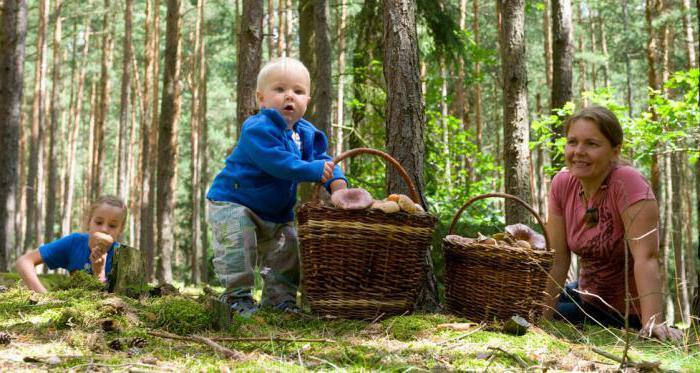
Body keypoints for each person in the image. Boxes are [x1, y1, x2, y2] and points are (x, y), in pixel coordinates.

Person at [207, 57, 347, 316]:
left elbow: (323, 160)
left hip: (276, 212)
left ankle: (280, 301)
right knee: (237, 245)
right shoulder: (258, 128)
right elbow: (279, 163)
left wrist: (337, 185)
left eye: (298, 91)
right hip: (234, 202)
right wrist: (313, 170)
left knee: (287, 250)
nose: (289, 97)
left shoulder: (307, 133)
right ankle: (237, 298)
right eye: (280, 90)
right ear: (261, 99)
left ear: (308, 100)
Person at [543, 106, 683, 341]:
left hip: (623, 312)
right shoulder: (562, 183)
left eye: (591, 144)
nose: (579, 151)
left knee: (557, 314)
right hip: (585, 295)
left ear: (614, 150)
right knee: (518, 305)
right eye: (572, 142)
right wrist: (541, 316)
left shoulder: (628, 183)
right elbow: (558, 259)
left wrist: (652, 324)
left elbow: (646, 257)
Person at [16, 195, 127, 293]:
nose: (104, 229)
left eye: (112, 226)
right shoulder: (74, 243)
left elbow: (117, 303)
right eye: (98, 222)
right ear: (89, 221)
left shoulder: (124, 257)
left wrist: (99, 273)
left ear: (121, 229)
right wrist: (42, 294)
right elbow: (24, 261)